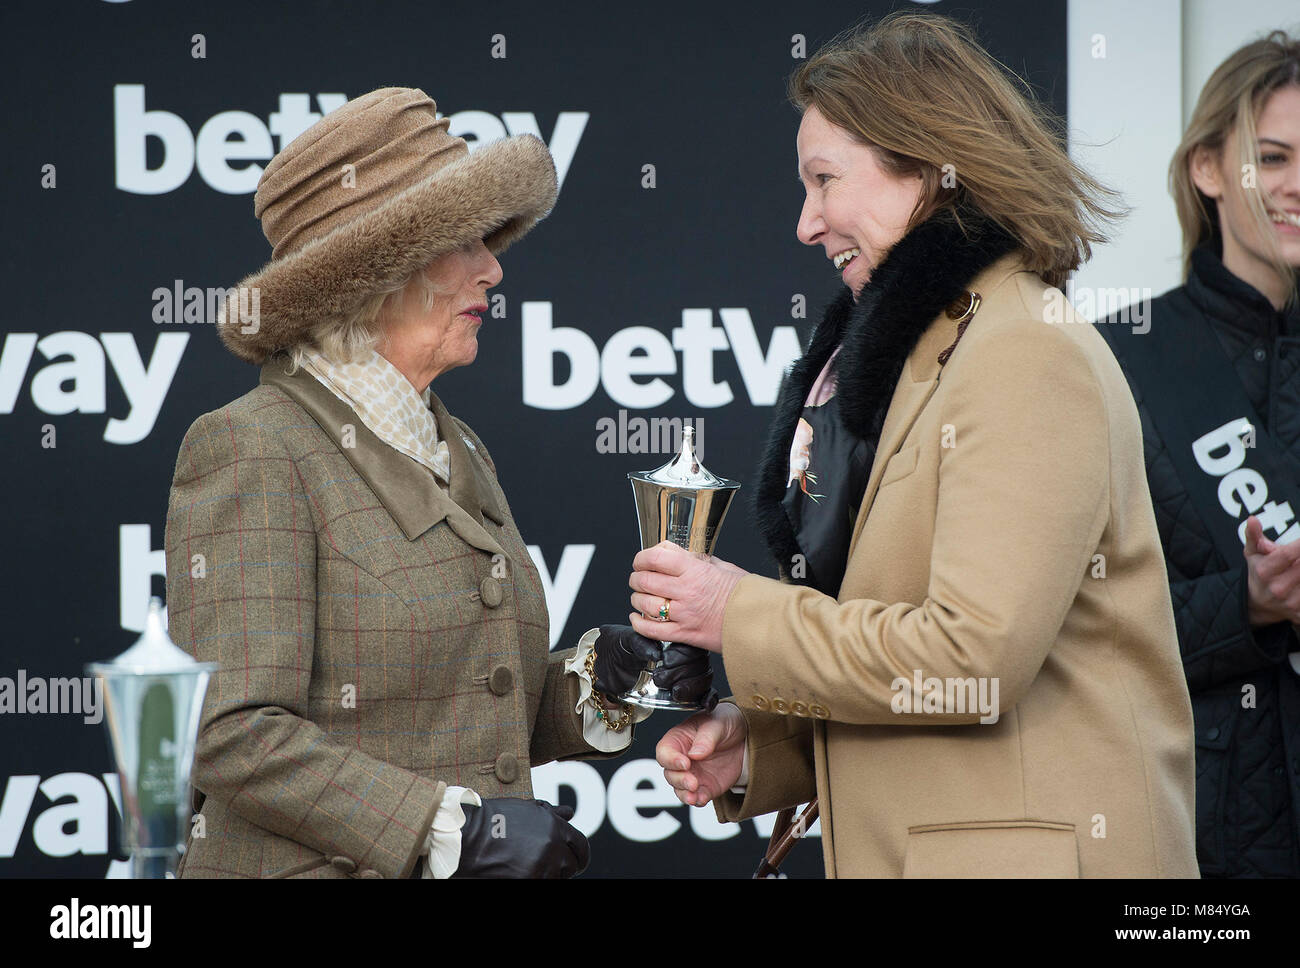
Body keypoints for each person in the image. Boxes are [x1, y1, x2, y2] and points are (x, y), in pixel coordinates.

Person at [631, 12, 1199, 877]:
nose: (806, 223)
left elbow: (972, 660)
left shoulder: (1024, 352)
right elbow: (911, 657)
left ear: (932, 167)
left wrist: (734, 614)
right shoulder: (941, 350)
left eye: (824, 181)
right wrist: (764, 752)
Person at [164, 87, 707, 879]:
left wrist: (602, 679)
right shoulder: (249, 446)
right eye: (464, 242)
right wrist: (448, 829)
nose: (492, 268)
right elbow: (230, 734)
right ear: (369, 275)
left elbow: (467, 703)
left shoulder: (458, 442)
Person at [1097, 32, 1300, 877]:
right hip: (1199, 830)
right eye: (1274, 157)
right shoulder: (1118, 359)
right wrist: (1246, 602)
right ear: (1207, 170)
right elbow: (1077, 626)